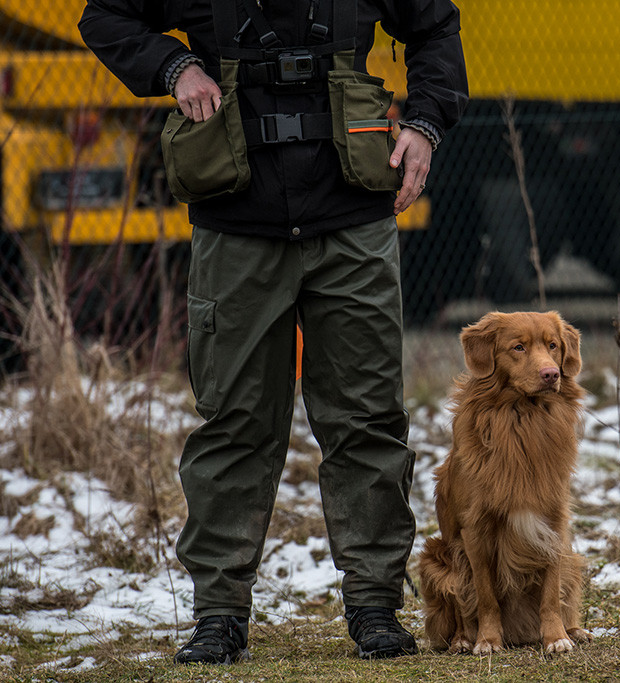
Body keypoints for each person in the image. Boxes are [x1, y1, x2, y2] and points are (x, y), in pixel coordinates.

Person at [78, 0, 468, 664]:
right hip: (237, 218)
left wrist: (427, 124)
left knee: (367, 417)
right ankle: (220, 614)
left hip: (351, 212)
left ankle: (375, 605)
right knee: (235, 421)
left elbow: (434, 26)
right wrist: (175, 67)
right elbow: (105, 17)